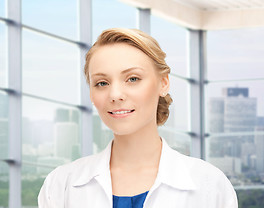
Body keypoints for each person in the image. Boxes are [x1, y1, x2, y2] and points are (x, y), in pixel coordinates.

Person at [38, 28, 238, 208]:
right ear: (91, 94)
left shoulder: (210, 186)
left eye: (132, 79)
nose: (115, 94)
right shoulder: (61, 185)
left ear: (164, 83)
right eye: (101, 83)